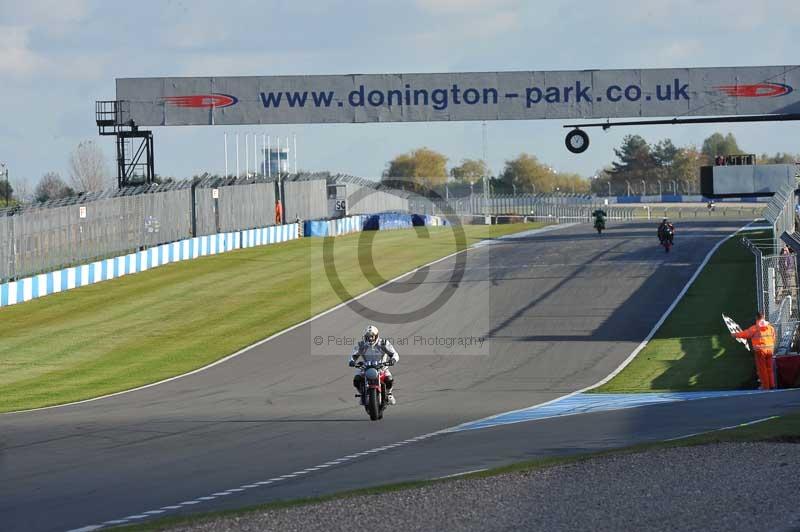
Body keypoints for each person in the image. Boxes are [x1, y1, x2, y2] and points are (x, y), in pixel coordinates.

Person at [349, 325, 399, 405]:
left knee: (389, 379)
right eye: (368, 337)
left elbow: (394, 354)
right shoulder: (361, 345)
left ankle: (389, 393)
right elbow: (353, 355)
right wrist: (352, 361)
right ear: (364, 337)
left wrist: (392, 360)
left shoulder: (383, 343)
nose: (370, 339)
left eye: (372, 336)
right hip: (365, 367)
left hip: (382, 367)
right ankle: (363, 394)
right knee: (357, 380)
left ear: (376, 336)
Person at [732, 312, 776, 390]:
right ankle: (772, 385)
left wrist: (735, 335)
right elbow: (773, 338)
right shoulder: (771, 328)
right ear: (764, 317)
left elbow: (745, 334)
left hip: (760, 351)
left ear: (756, 318)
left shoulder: (754, 328)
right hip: (770, 350)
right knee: (770, 369)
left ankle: (766, 386)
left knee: (762, 370)